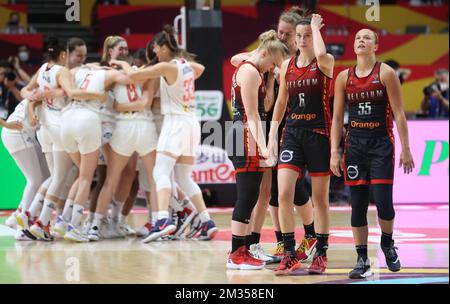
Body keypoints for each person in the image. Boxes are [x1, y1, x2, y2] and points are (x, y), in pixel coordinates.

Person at [230, 6, 316, 264]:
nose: (284, 36)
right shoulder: (261, 65)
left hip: (289, 125)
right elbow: (237, 60)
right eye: (280, 32)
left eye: (288, 34)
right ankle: (256, 245)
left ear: (300, 35)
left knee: (288, 187)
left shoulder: (300, 59)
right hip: (258, 127)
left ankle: (310, 235)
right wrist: (263, 63)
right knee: (263, 191)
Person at [330, 28, 415, 279]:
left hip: (381, 145)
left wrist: (406, 148)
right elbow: (336, 118)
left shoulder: (386, 73)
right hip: (355, 146)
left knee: (383, 202)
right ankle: (361, 259)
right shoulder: (343, 77)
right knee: (357, 206)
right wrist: (335, 152)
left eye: (367, 37)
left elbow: (399, 114)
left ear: (375, 46)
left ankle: (387, 243)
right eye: (357, 38)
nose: (361, 40)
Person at [121, 25, 217, 243]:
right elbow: (200, 67)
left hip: (175, 122)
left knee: (160, 172)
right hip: (192, 121)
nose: (154, 50)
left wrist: (122, 64)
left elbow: (133, 75)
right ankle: (206, 221)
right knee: (184, 177)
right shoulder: (186, 66)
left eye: (156, 46)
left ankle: (162, 220)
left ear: (164, 47)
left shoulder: (167, 66)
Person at [268, 13, 334, 275]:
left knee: (320, 200)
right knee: (284, 193)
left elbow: (320, 54)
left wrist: (315, 28)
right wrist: (273, 135)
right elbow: (282, 102)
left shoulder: (325, 61)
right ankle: (288, 252)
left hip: (318, 133)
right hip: (293, 133)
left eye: (307, 35)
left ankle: (322, 253)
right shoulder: (286, 66)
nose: (303, 39)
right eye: (299, 36)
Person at [226, 29, 289, 270]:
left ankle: (239, 251)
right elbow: (252, 115)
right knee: (247, 195)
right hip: (244, 134)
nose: (271, 68)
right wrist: (264, 148)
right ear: (263, 53)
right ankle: (236, 253)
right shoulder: (251, 72)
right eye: (272, 63)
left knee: (250, 195)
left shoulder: (248, 66)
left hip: (242, 133)